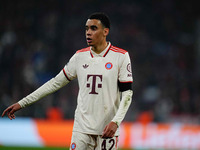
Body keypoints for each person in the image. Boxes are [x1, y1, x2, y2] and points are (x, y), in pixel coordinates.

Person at [2, 12, 133, 150]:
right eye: (86, 28)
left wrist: (115, 122)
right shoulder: (79, 57)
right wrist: (22, 103)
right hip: (81, 129)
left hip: (107, 129)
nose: (88, 32)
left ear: (105, 31)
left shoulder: (121, 57)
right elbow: (54, 83)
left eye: (93, 28)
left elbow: (127, 94)